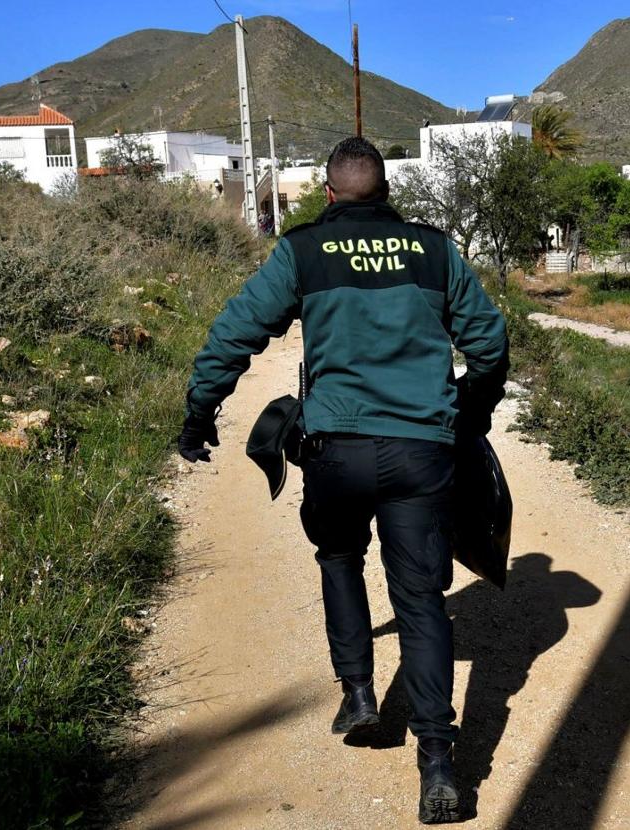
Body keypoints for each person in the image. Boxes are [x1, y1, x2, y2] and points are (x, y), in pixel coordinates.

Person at [176, 136, 508, 825]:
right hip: (421, 452)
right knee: (421, 601)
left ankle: (358, 694)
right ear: (386, 191)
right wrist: (466, 416)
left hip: (336, 450)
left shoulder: (301, 252)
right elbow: (488, 343)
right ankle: (440, 766)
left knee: (338, 557)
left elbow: (235, 333)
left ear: (328, 194)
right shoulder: (434, 250)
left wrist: (199, 411)